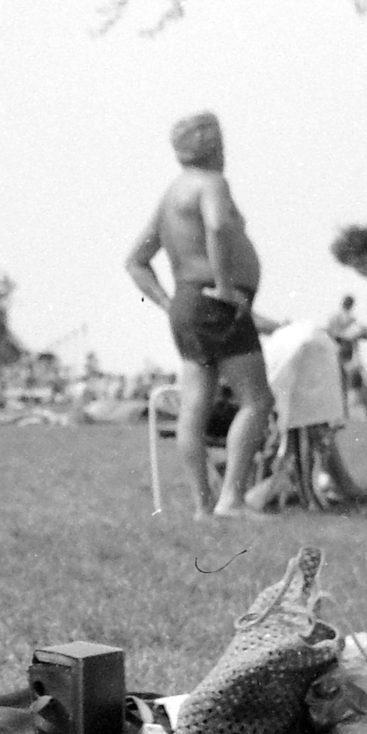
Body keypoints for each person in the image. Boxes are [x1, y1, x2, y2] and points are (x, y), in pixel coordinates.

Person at [125, 110, 275, 519]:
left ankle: (202, 506)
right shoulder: (211, 184)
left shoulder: (171, 195)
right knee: (257, 400)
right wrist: (225, 286)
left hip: (188, 303)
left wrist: (165, 301)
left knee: (194, 407)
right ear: (214, 146)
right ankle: (231, 499)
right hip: (215, 303)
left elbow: (135, 261)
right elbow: (217, 226)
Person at [324, 294, 367, 414]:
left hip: (344, 352)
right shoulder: (345, 319)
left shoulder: (342, 318)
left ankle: (344, 408)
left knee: (344, 380)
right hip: (342, 351)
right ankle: (343, 408)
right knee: (344, 380)